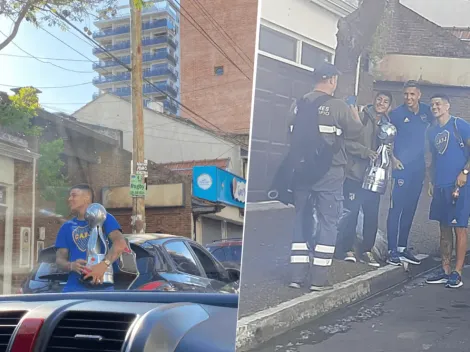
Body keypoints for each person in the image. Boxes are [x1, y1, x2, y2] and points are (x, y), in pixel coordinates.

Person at [287, 62, 364, 291]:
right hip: (330, 172)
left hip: (301, 172)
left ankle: (296, 276)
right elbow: (356, 132)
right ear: (331, 79)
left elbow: (288, 134)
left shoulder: (297, 104)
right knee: (329, 221)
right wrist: (356, 115)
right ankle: (319, 278)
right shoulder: (337, 106)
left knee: (301, 219)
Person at [338, 91, 393, 267]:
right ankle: (345, 249)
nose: (381, 103)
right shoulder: (360, 117)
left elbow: (389, 150)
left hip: (374, 179)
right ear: (373, 100)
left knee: (371, 215)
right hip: (355, 175)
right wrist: (365, 152)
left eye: (385, 102)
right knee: (351, 213)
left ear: (388, 107)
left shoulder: (388, 126)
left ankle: (367, 251)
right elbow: (346, 142)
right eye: (379, 99)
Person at [386, 80, 434, 266]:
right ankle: (391, 250)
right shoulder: (396, 114)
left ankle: (401, 247)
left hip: (418, 168)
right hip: (401, 167)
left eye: (412, 94)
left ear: (419, 95)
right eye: (406, 94)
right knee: (396, 208)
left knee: (410, 208)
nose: (409, 98)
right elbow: (386, 138)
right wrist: (393, 159)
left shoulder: (426, 112)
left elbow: (437, 128)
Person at [425, 94, 469, 288]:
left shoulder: (459, 125)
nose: (435, 107)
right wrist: (430, 181)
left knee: (459, 227)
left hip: (459, 185)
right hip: (440, 185)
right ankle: (445, 269)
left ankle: (457, 273)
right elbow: (433, 159)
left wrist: (465, 172)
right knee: (443, 228)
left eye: (439, 104)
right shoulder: (431, 130)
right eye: (433, 104)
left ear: (447, 106)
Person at [55, 184, 128, 292]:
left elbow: (120, 244)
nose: (69, 199)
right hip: (74, 288)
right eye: (70, 196)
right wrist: (71, 265)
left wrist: (103, 265)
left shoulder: (104, 217)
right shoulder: (67, 227)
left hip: (102, 287)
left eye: (74, 195)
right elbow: (59, 260)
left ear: (87, 198)